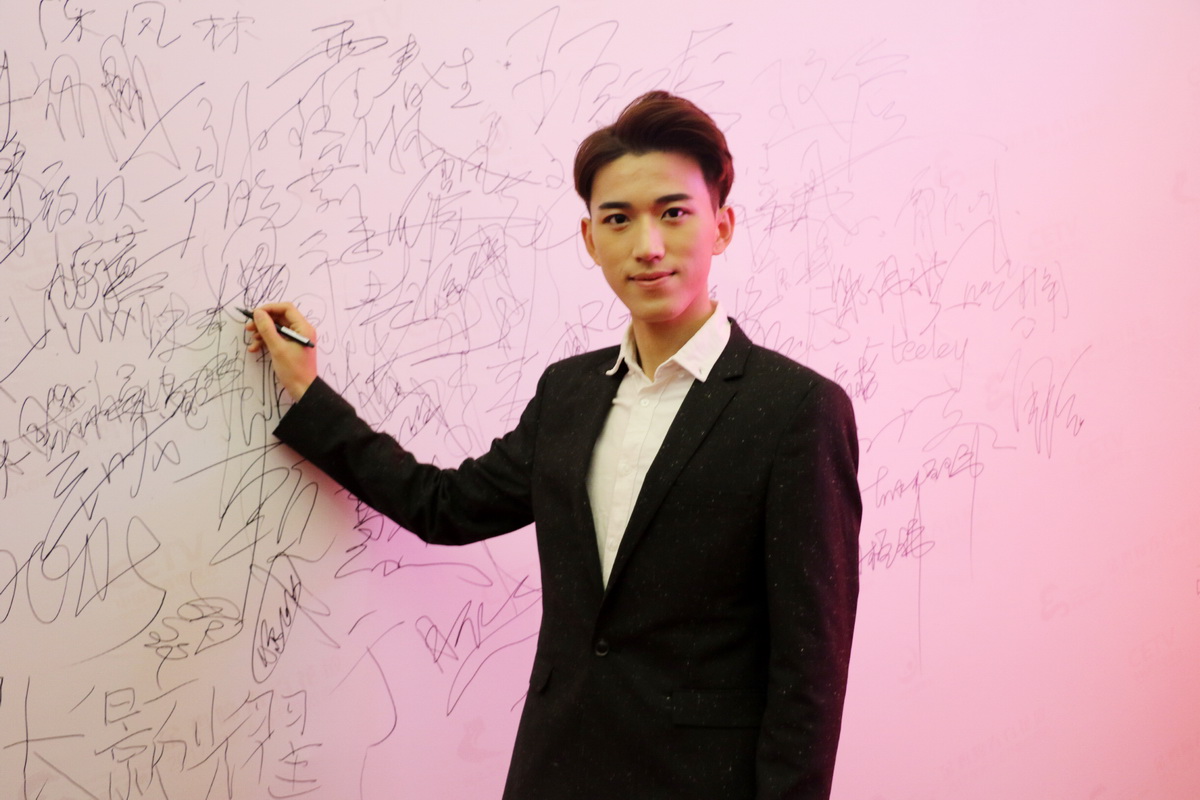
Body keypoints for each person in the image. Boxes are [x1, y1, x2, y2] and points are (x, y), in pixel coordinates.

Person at [246, 91, 861, 800]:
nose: (647, 246)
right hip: (556, 770)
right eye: (619, 219)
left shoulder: (796, 410)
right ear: (590, 239)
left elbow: (809, 673)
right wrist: (308, 391)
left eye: (673, 213)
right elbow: (443, 506)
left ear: (720, 227)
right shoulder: (570, 393)